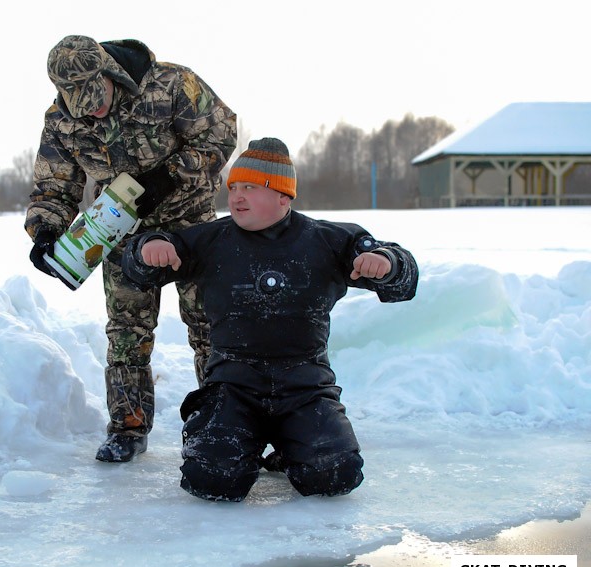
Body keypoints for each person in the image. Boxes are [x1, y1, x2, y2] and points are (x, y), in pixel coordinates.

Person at [121, 137, 418, 501]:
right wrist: (149, 246)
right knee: (212, 479)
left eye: (250, 186)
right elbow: (142, 266)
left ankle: (290, 449)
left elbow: (404, 279)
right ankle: (226, 440)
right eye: (232, 187)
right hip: (233, 388)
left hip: (306, 389)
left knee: (335, 475)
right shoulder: (213, 239)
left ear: (283, 195)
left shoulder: (327, 240)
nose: (236, 196)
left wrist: (387, 264)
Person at [24, 35, 236, 462]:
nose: (93, 108)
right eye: (80, 102)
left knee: (210, 328)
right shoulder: (61, 121)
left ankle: (222, 421)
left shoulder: (172, 84)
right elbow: (55, 185)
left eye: (96, 96)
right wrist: (45, 232)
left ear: (109, 73)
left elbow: (220, 134)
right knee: (126, 334)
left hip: (190, 227)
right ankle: (128, 426)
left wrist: (168, 178)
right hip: (120, 231)